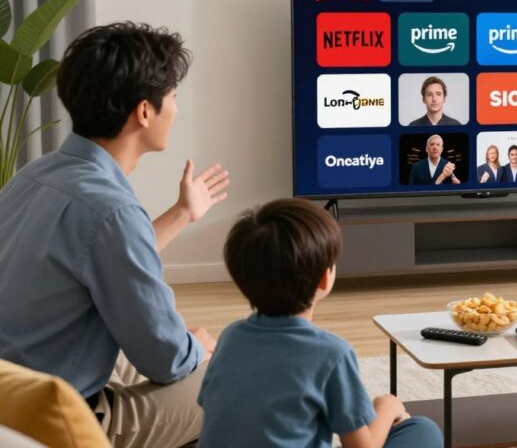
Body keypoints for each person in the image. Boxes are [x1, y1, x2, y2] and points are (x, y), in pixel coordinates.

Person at [0, 22, 229, 448]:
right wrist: (196, 348)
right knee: (232, 378)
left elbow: (100, 258)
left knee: (148, 350)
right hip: (58, 419)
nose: (175, 108)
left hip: (13, 395)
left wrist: (182, 213)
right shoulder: (112, 210)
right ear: (144, 112)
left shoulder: (35, 175)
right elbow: (167, 360)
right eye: (173, 97)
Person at [198, 199, 442, 448]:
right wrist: (386, 407)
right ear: (325, 278)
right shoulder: (331, 354)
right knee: (423, 430)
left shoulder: (230, 337)